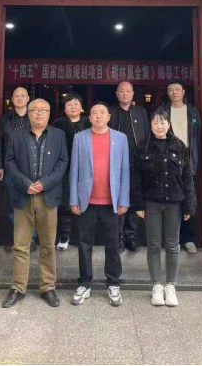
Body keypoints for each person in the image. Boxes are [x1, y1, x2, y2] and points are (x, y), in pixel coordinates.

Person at [2, 99, 68, 309]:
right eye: (35, 110)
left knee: (48, 245)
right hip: (24, 195)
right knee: (21, 245)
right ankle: (18, 287)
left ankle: (47, 287)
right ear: (29, 114)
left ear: (49, 113)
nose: (39, 113)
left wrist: (45, 183)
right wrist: (26, 184)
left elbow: (63, 162)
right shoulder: (16, 135)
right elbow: (9, 161)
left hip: (48, 196)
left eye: (43, 110)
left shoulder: (58, 135)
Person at [69, 102, 130, 307]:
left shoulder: (120, 138)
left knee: (113, 245)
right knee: (84, 244)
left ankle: (113, 283)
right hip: (87, 201)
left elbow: (125, 171)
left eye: (102, 112)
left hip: (112, 201)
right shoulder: (80, 138)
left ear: (109, 116)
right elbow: (74, 171)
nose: (98, 116)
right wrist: (73, 199)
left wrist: (124, 200)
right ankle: (85, 283)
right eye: (94, 112)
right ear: (89, 117)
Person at [134, 109, 196, 307]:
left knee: (172, 245)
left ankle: (171, 286)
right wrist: (138, 203)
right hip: (151, 202)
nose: (159, 126)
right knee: (153, 245)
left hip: (174, 202)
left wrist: (189, 205)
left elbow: (187, 177)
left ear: (169, 125)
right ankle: (156, 285)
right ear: (150, 125)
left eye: (163, 123)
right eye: (155, 123)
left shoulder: (179, 146)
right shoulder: (143, 146)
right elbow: (136, 178)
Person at [110, 81, 150, 253]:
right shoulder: (111, 112)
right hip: (116, 162)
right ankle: (118, 236)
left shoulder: (141, 112)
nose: (125, 94)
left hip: (137, 161)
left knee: (135, 197)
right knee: (118, 199)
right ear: (117, 94)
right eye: (122, 91)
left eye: (128, 91)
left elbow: (147, 135)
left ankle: (131, 236)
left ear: (133, 94)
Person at [163, 80, 202, 254]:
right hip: (169, 160)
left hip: (188, 161)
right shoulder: (163, 111)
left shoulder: (192, 111)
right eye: (171, 90)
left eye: (177, 89)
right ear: (167, 93)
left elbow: (198, 137)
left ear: (183, 92)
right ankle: (173, 240)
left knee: (188, 199)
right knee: (170, 201)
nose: (174, 92)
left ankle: (188, 239)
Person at [52, 93, 91, 251]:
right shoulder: (58, 124)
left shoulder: (89, 122)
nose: (73, 107)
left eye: (76, 104)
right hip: (65, 168)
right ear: (64, 109)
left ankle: (81, 237)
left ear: (82, 108)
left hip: (86, 168)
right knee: (66, 203)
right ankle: (64, 235)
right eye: (69, 104)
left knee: (84, 202)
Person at [0, 87, 30, 250]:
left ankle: (30, 239)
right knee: (12, 203)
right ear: (12, 99)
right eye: (16, 96)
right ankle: (14, 238)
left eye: (23, 96)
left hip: (30, 167)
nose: (20, 98)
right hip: (10, 166)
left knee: (31, 203)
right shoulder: (5, 119)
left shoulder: (34, 117)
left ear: (28, 99)